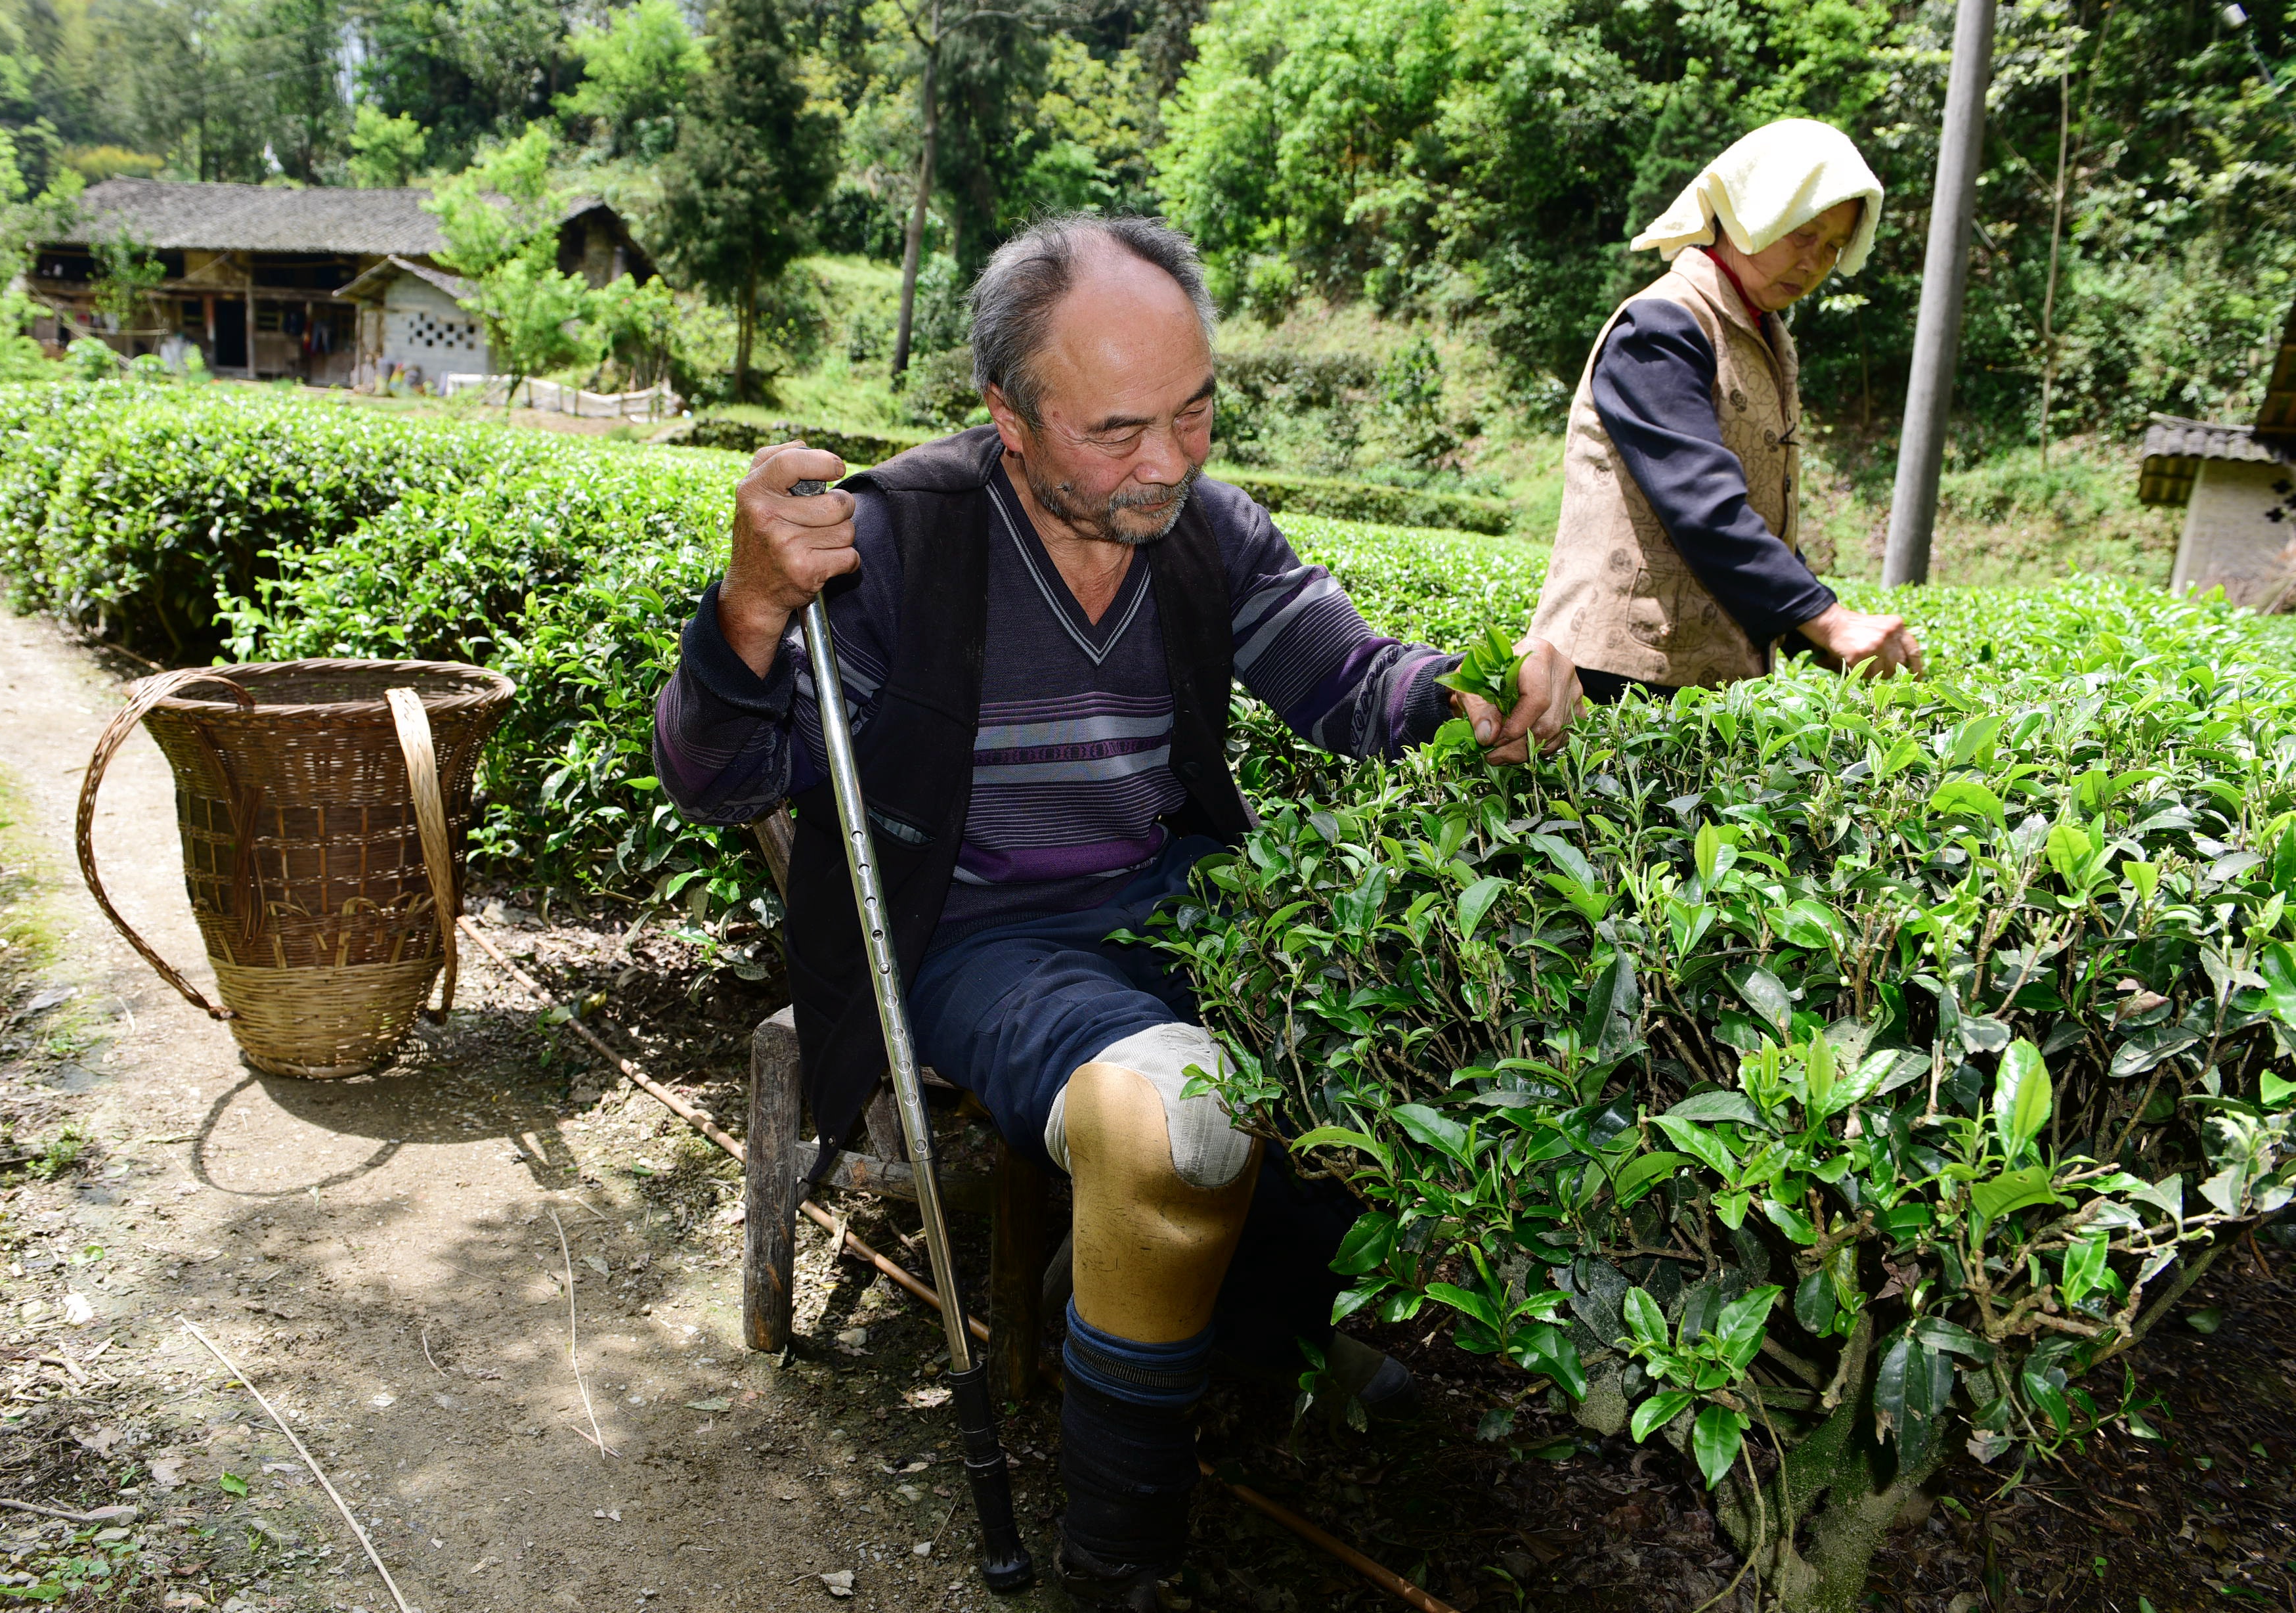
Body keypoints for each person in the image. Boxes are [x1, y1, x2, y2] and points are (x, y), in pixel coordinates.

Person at [653, 213, 1580, 1607]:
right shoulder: (893, 542)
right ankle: (1118, 1564)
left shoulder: (1205, 530)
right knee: (1180, 1111)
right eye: (1118, 429)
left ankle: (1231, 1336)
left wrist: (1464, 703)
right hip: (974, 936)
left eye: (1197, 409)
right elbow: (717, 780)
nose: (1170, 460)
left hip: (1172, 894)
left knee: (1408, 1018)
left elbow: (1346, 678)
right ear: (1008, 419)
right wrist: (744, 610)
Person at [1529, 117, 1924, 701]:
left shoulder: (1760, 336)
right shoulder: (1661, 326)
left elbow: (1757, 516)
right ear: (1750, 214)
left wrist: (1817, 629)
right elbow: (1701, 503)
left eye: (1834, 246)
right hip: (1613, 676)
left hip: (1698, 679)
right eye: (1804, 234)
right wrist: (1828, 620)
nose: (1816, 263)